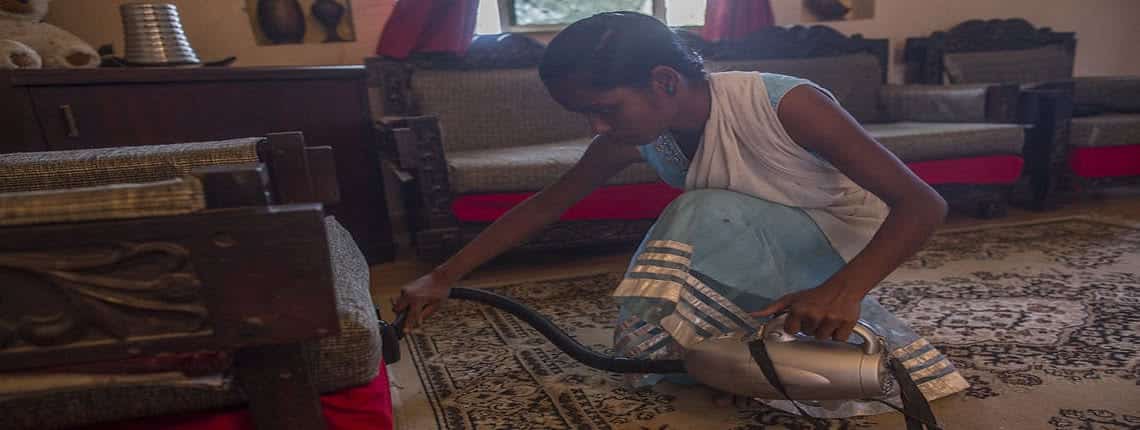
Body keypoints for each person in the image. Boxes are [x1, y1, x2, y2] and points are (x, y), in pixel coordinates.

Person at [393, 11, 968, 417]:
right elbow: (550, 202)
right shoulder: (638, 131)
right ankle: (742, 354)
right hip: (760, 236)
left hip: (844, 243)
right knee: (706, 224)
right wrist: (443, 276)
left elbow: (923, 203)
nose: (596, 127)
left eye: (603, 110)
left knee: (699, 210)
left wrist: (845, 290)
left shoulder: (788, 104)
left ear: (664, 81)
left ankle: (809, 329)